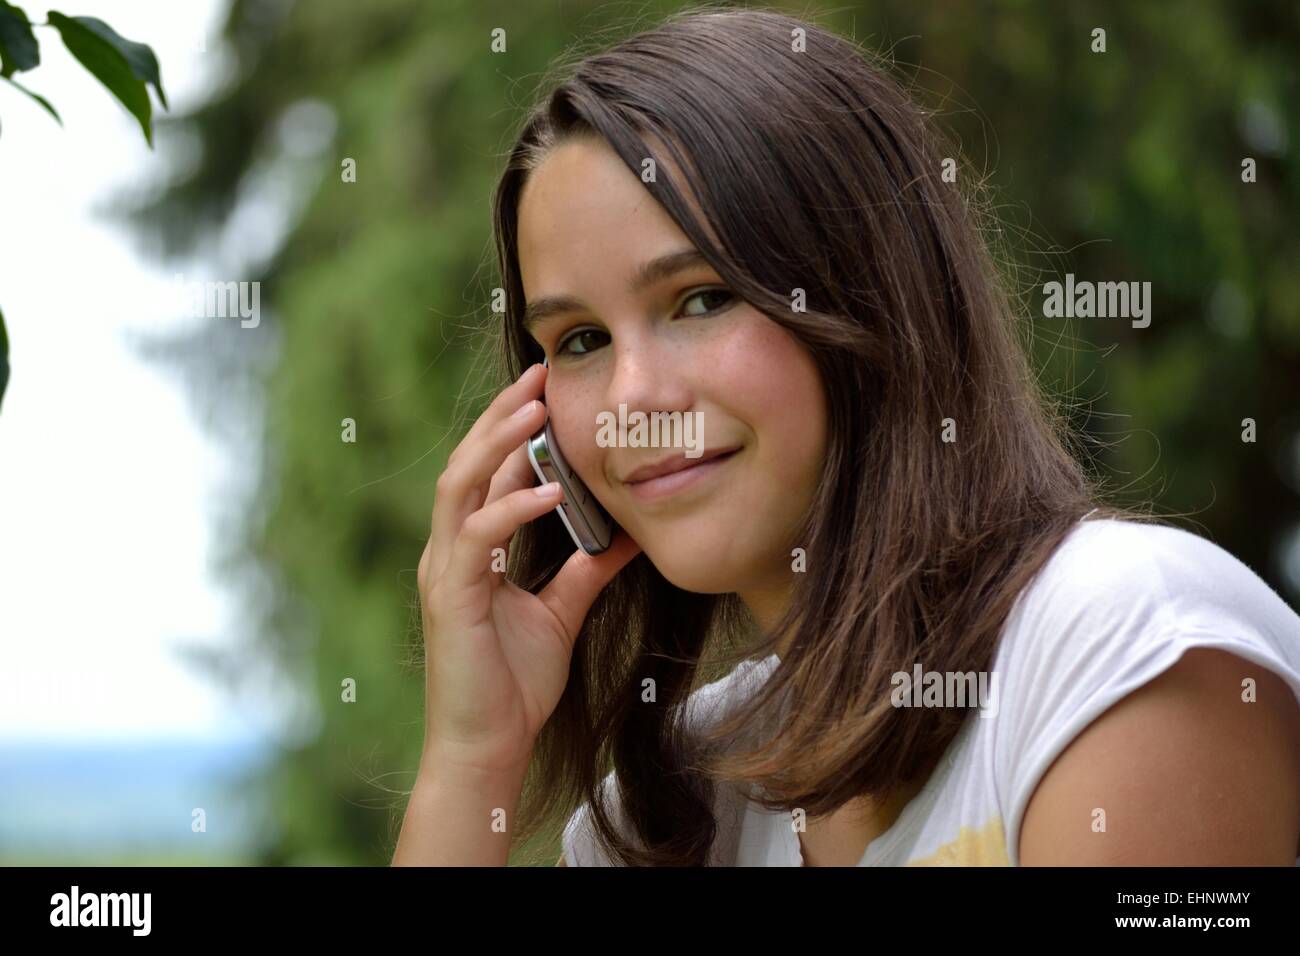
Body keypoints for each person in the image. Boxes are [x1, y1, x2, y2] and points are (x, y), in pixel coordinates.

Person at [393, 7, 1300, 867]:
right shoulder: (665, 813)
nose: (635, 399)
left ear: (869, 297)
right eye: (581, 341)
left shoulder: (1122, 644)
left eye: (702, 298)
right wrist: (472, 762)